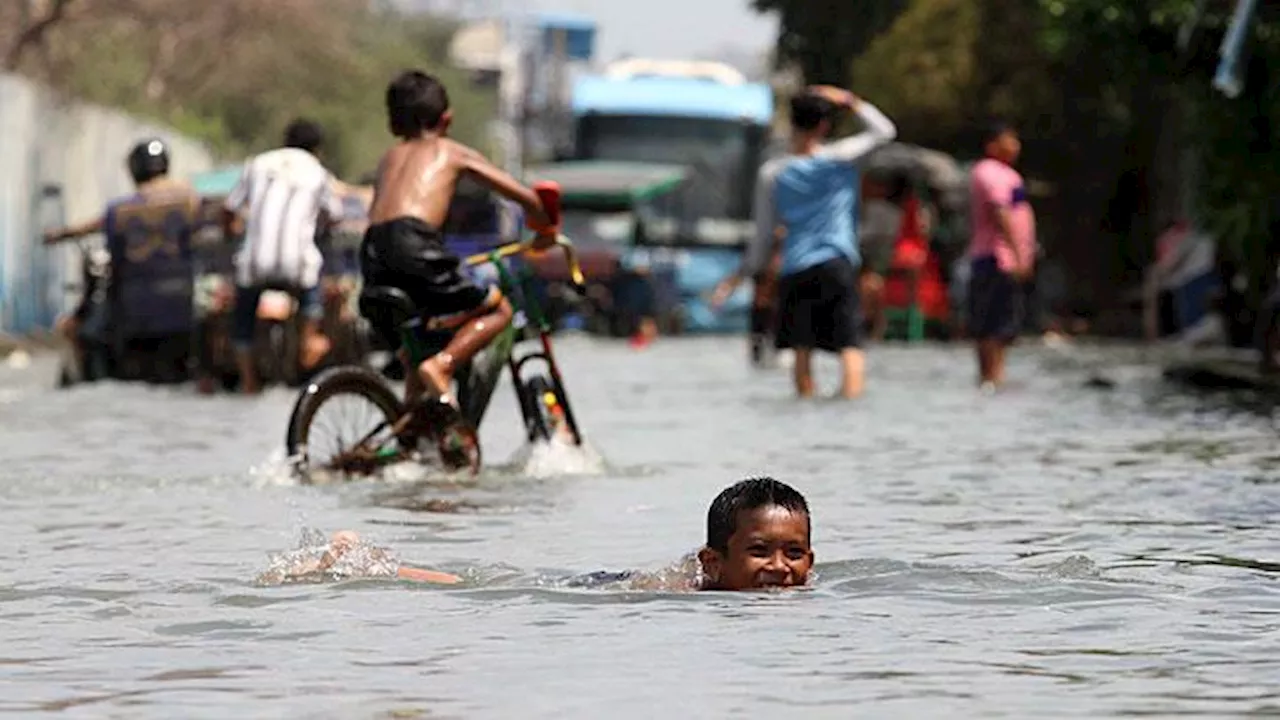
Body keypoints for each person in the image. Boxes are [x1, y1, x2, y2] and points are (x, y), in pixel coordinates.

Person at [360, 70, 556, 413]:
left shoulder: (388, 159)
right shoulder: (451, 152)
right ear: (447, 119)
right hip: (416, 245)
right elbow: (527, 199)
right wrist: (544, 228)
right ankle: (444, 365)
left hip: (373, 251)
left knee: (416, 344)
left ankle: (415, 434)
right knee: (500, 310)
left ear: (393, 125)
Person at [288, 477, 814, 592]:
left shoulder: (795, 590)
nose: (780, 567)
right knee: (477, 586)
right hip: (603, 584)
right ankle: (368, 561)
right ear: (715, 560)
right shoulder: (687, 588)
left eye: (794, 553)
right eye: (760, 551)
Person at [743, 85, 898, 399]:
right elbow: (885, 131)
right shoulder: (841, 158)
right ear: (824, 126)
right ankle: (849, 411)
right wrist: (850, 100)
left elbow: (763, 233)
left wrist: (752, 272)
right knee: (850, 347)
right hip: (837, 262)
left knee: (801, 351)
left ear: (792, 124)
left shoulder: (773, 172)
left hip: (795, 266)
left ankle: (807, 416)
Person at [44, 139, 201, 377]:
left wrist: (61, 234)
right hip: (184, 308)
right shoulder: (191, 200)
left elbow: (113, 260)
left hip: (134, 314)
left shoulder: (119, 210)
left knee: (84, 332)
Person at [222, 118, 343, 394]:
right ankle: (308, 343)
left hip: (254, 263)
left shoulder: (258, 164)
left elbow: (230, 208)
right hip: (297, 265)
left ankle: (248, 382)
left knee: (243, 320)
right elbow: (334, 216)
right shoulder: (318, 172)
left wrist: (231, 235)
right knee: (312, 297)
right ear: (317, 148)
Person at [967, 119, 1037, 392]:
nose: (1015, 146)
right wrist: (1019, 254)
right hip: (995, 257)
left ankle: (996, 377)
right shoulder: (988, 172)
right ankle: (990, 379)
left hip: (1009, 259)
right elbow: (1001, 213)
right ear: (992, 144)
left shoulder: (1010, 174)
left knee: (1004, 323)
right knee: (991, 323)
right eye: (1010, 139)